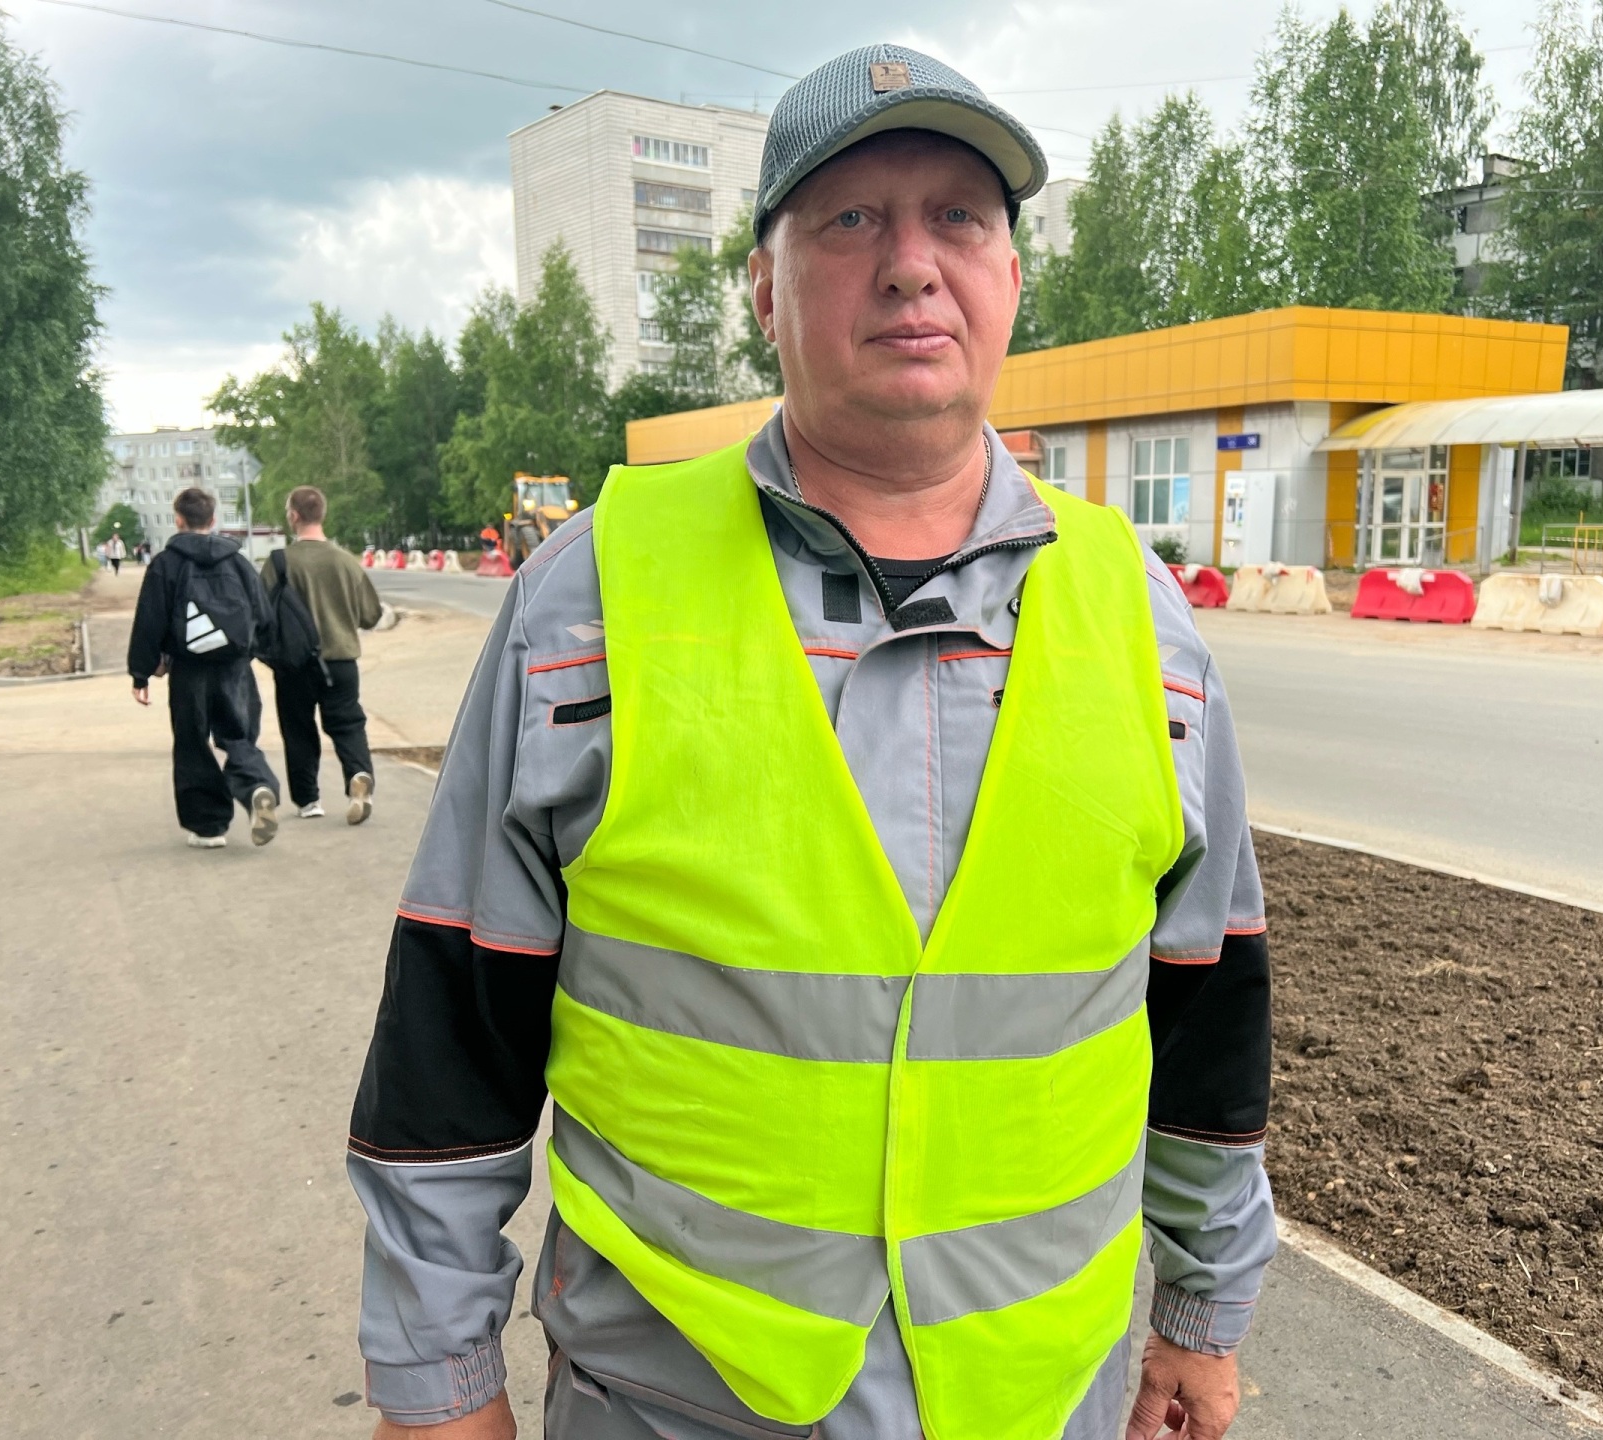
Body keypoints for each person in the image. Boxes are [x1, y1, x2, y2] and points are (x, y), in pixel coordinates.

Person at [347, 45, 1273, 1440]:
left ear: (1012, 278)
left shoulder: (1145, 624)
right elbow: (453, 1033)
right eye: (851, 219)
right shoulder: (592, 598)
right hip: (678, 1404)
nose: (912, 266)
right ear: (764, 290)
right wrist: (436, 1386)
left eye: (958, 217)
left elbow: (1207, 1014)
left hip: (1041, 1402)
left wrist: (1203, 1318)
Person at [126, 486, 282, 849]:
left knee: (192, 742)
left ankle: (209, 827)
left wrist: (141, 672)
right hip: (234, 668)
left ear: (179, 520)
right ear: (213, 520)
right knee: (238, 736)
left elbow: (149, 620)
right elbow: (263, 616)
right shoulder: (238, 562)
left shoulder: (166, 564)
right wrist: (251, 654)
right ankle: (257, 787)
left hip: (189, 671)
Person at [260, 485, 382, 824]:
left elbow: (261, 613)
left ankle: (308, 800)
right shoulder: (345, 561)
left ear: (294, 516)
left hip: (294, 664)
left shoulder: (279, 562)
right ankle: (358, 776)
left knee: (298, 729)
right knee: (348, 724)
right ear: (322, 514)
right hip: (341, 661)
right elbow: (370, 615)